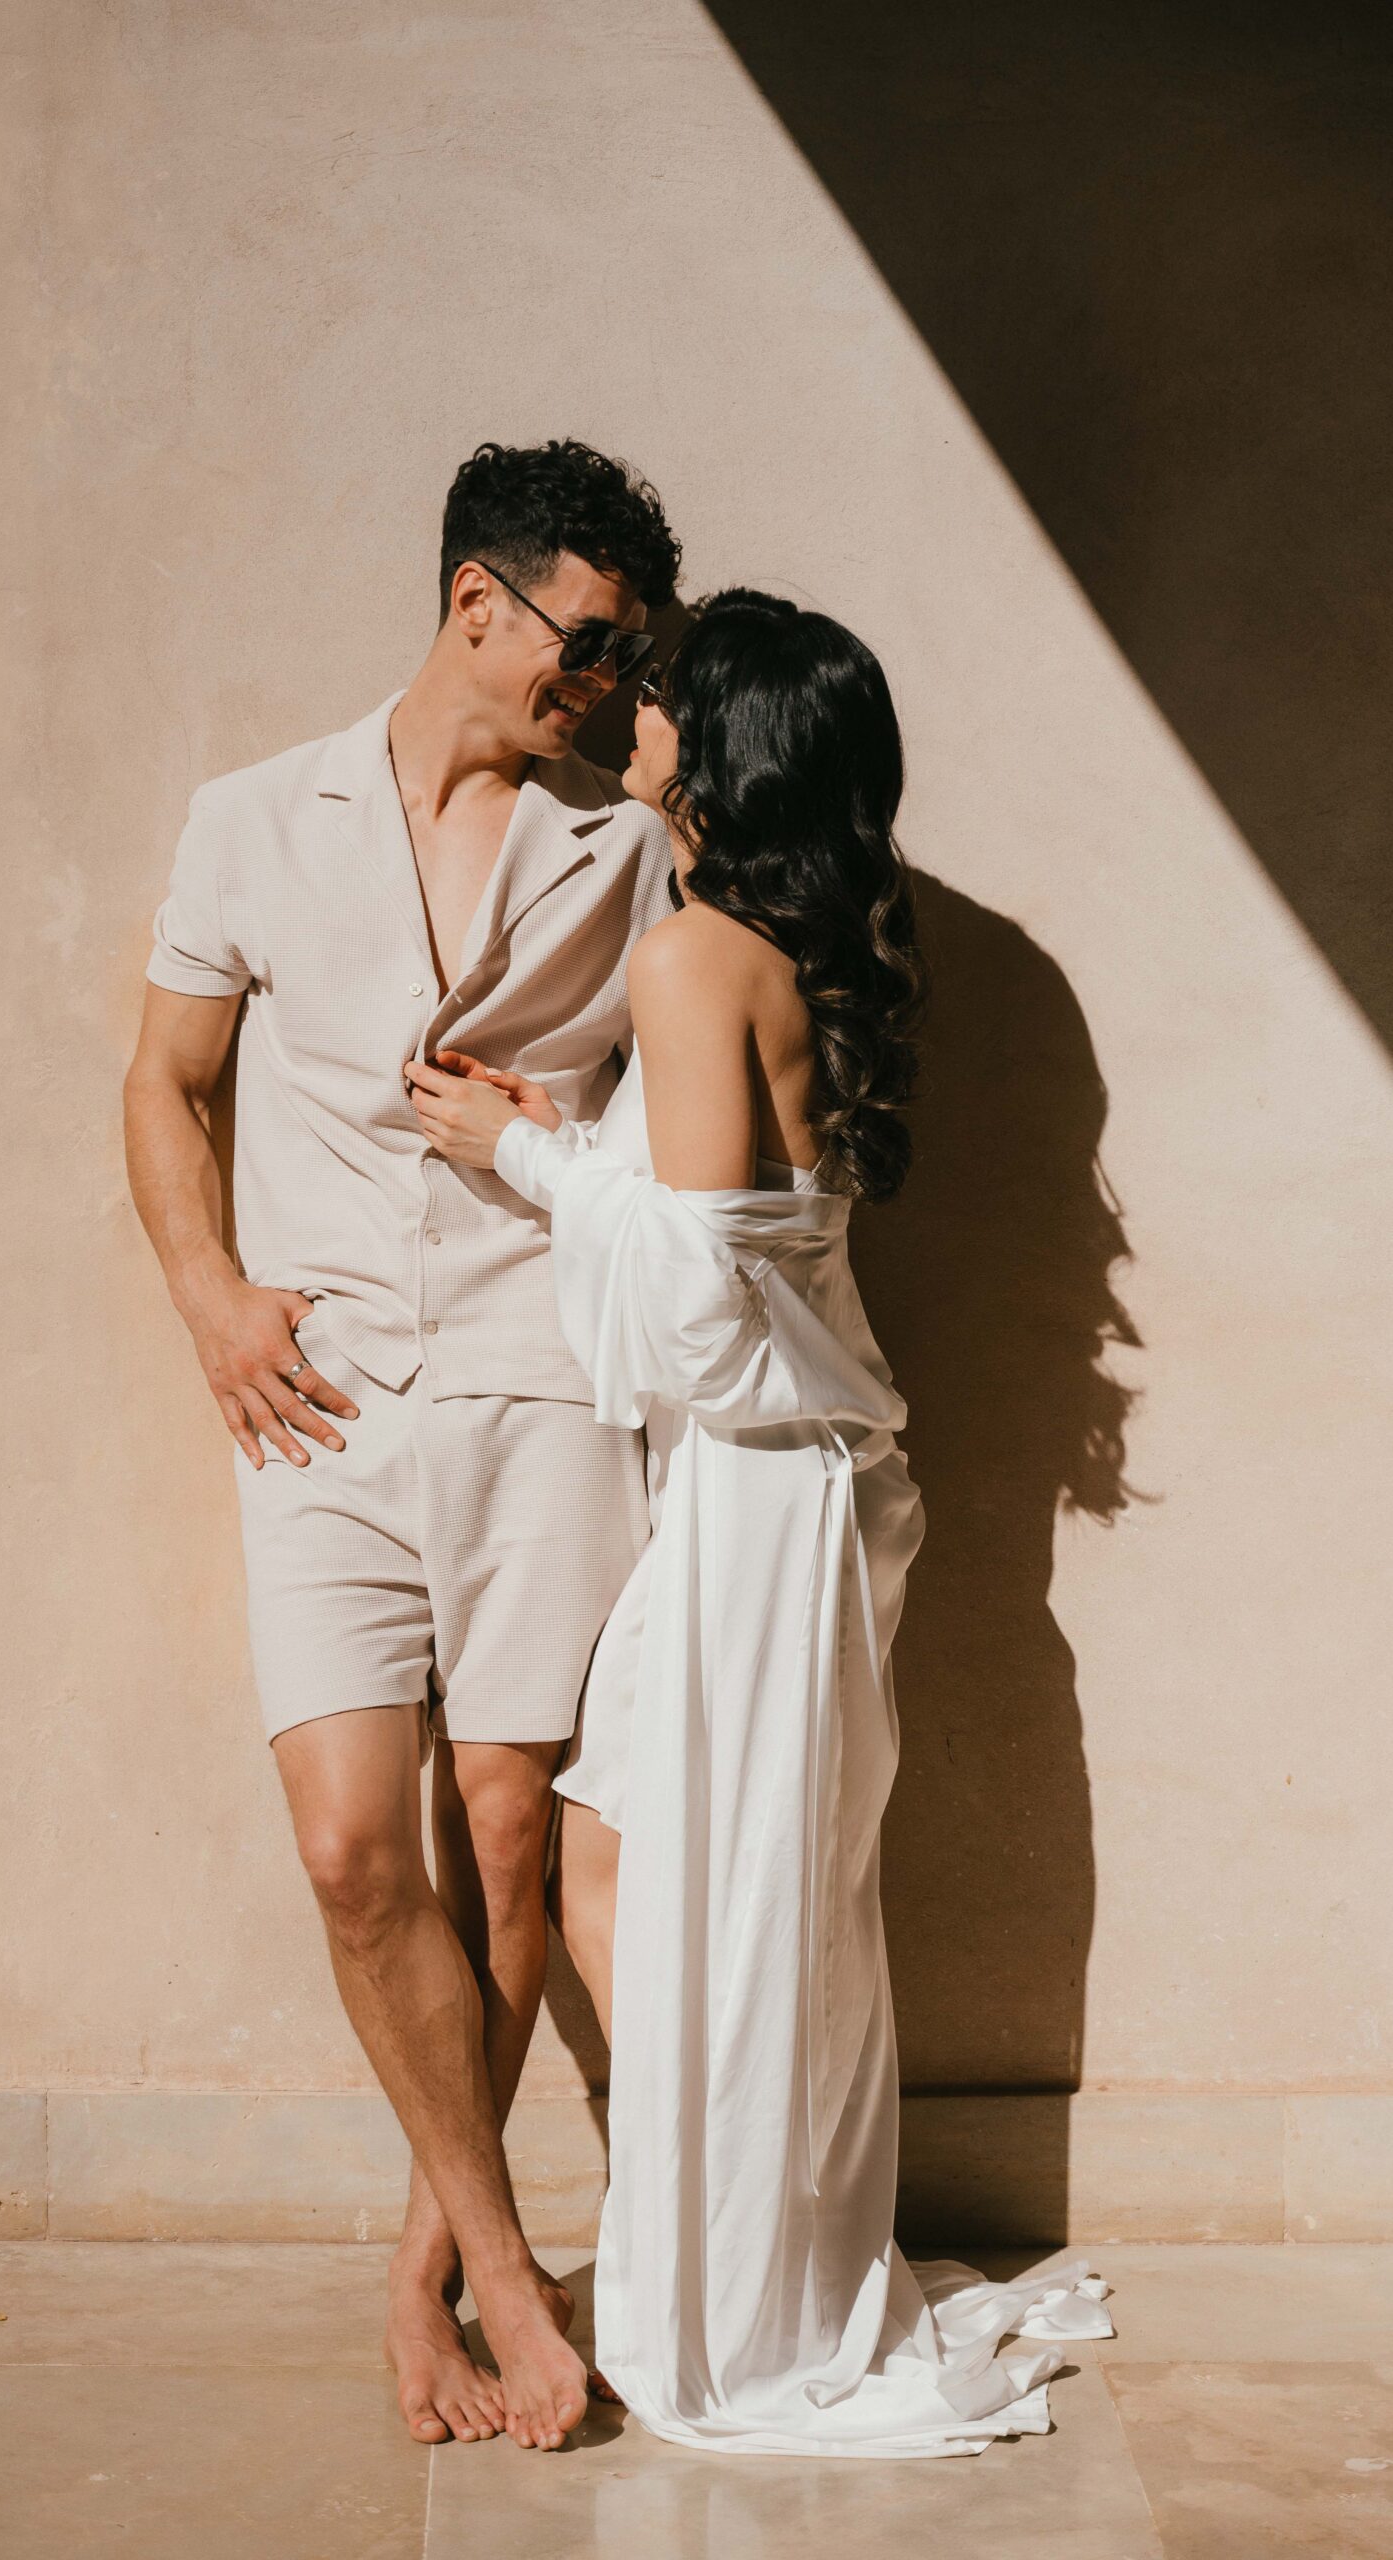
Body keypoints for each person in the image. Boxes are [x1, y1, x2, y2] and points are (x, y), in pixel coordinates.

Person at [406, 589, 1113, 2455]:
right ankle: (730, 2252)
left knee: (664, 1872)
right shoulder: (786, 943)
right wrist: (558, 1155)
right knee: (707, 1878)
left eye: (665, 698)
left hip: (762, 1494)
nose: (630, 715)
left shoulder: (693, 953)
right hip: (810, 1486)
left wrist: (531, 1160)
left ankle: (731, 2285)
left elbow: (706, 1298)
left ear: (717, 748)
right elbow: (750, 1237)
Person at [123, 440, 681, 2451]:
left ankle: (437, 2268)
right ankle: (505, 2257)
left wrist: (682, 789)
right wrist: (212, 1300)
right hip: (325, 1395)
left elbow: (699, 1101)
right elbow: (166, 1086)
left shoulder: (627, 847)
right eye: (596, 644)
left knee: (509, 1834)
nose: (612, 687)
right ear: (480, 604)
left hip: (539, 1380)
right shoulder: (258, 820)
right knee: (359, 1849)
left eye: (634, 660)